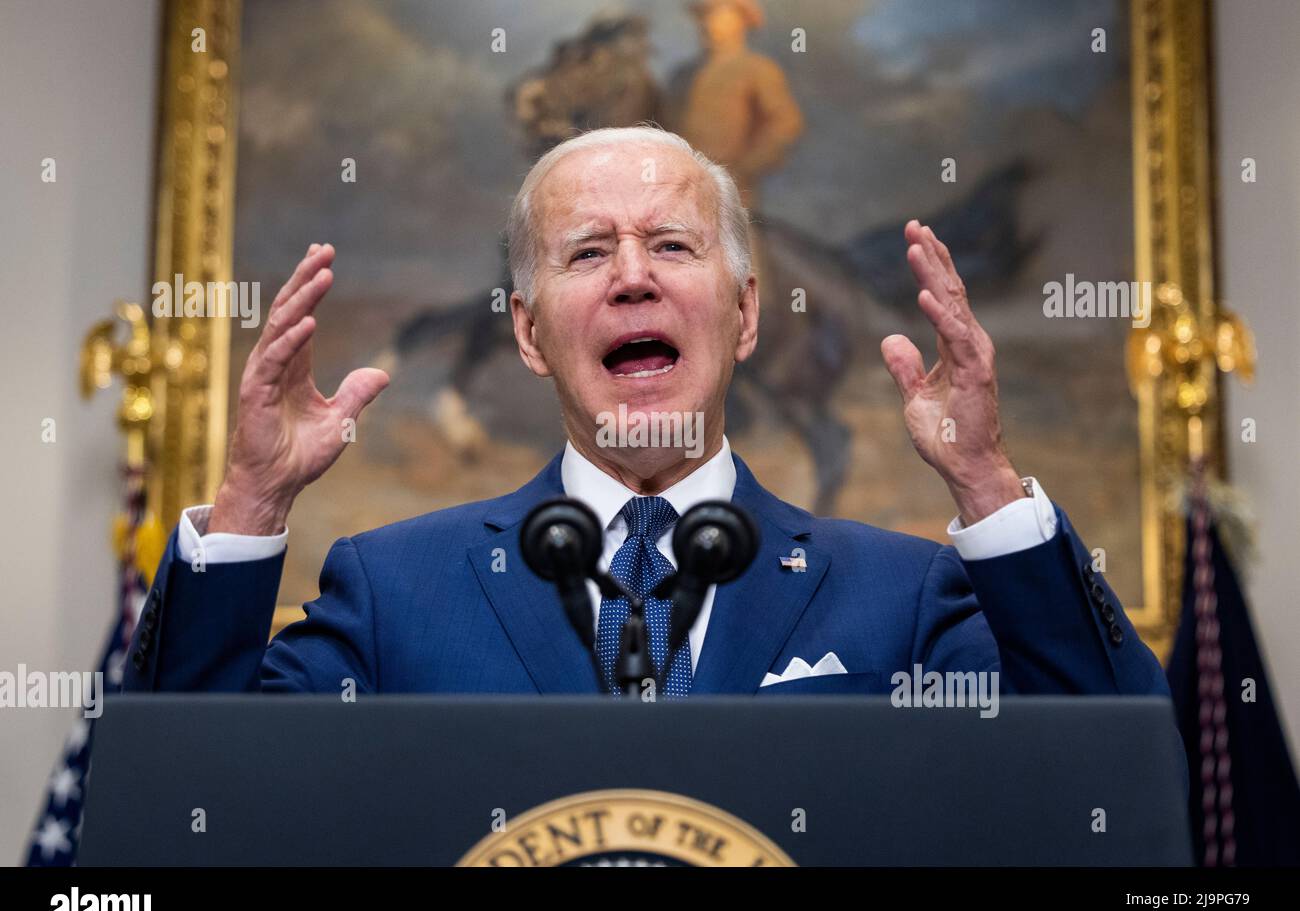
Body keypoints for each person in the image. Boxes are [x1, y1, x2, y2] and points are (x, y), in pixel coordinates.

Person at [123, 126, 1167, 698]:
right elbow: (194, 806)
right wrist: (251, 505)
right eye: (587, 252)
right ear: (530, 336)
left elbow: (1109, 773)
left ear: (746, 315)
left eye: (672, 245)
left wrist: (987, 486)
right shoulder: (393, 593)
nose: (632, 278)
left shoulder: (902, 597)